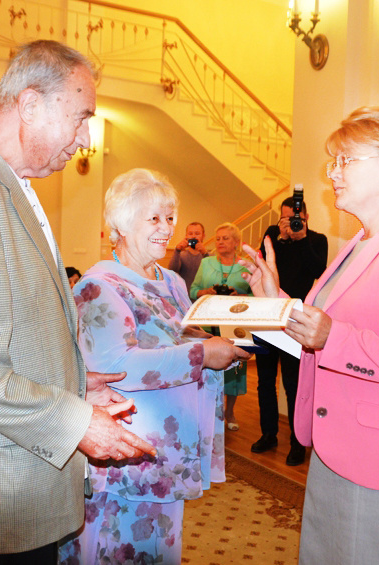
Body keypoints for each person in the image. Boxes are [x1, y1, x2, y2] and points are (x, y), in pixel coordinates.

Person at [0, 40, 155, 564]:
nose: (85, 139)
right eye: (82, 118)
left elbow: (9, 322)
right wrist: (75, 421)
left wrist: (74, 380)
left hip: (14, 463)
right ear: (31, 104)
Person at [241, 107, 379, 564]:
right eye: (333, 161)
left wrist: (334, 338)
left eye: (346, 160)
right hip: (337, 444)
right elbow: (318, 339)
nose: (332, 173)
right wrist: (274, 299)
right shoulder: (358, 245)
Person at [58, 168, 249, 564]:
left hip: (171, 445)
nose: (167, 228)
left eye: (170, 217)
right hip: (130, 447)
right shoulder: (99, 285)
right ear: (122, 225)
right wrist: (202, 355)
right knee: (119, 546)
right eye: (155, 218)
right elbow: (116, 365)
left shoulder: (172, 281)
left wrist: (227, 345)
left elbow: (179, 334)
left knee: (160, 546)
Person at [250, 196, 328, 466]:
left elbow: (318, 270)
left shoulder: (316, 240)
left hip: (296, 321)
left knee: (294, 385)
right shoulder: (272, 235)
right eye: (284, 218)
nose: (289, 223)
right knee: (265, 381)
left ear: (305, 218)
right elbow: (265, 269)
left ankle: (298, 442)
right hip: (267, 317)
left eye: (295, 218)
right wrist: (282, 240)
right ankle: (268, 433)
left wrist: (300, 239)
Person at [190, 222, 251, 431]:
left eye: (226, 238)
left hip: (236, 325)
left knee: (235, 372)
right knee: (206, 368)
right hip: (208, 324)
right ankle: (207, 413)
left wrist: (240, 295)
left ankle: (230, 412)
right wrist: (205, 291)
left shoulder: (246, 266)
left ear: (236, 242)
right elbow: (193, 290)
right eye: (218, 238)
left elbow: (256, 295)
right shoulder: (206, 263)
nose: (220, 242)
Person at [168, 221, 209, 290]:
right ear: (186, 236)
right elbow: (172, 270)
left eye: (197, 233)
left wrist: (205, 254)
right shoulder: (181, 255)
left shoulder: (209, 256)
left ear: (203, 236)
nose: (193, 236)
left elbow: (212, 273)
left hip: (202, 294)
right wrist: (177, 250)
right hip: (183, 294)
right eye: (190, 233)